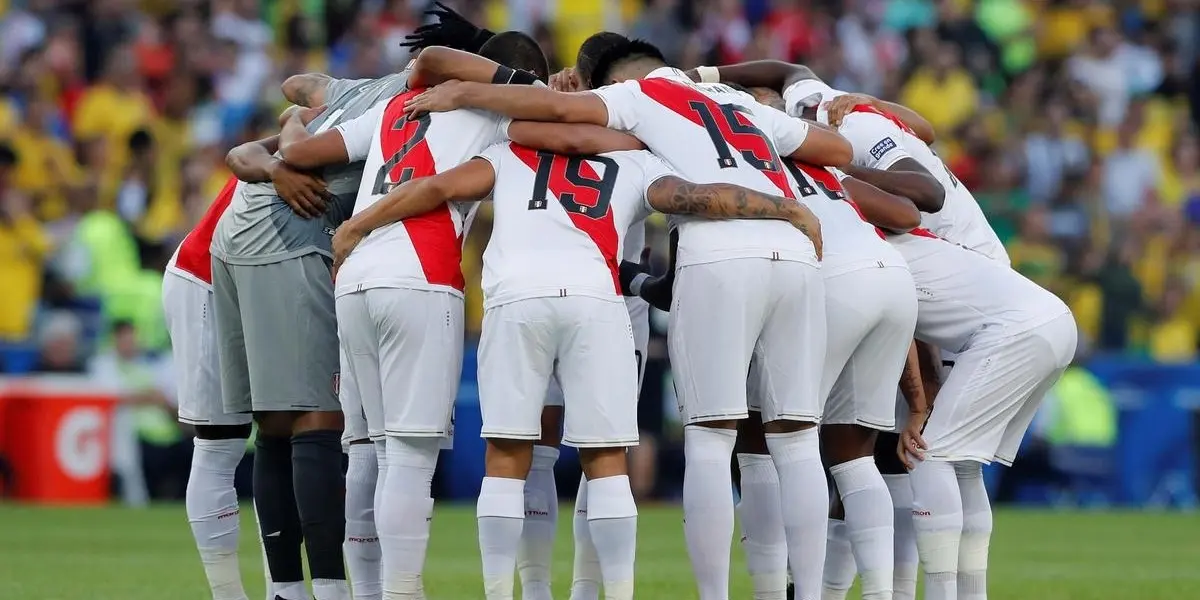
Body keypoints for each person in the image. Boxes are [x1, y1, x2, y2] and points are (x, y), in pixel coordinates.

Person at [401, 39, 847, 600]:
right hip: (784, 256)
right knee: (797, 440)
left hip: (688, 263)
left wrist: (468, 94)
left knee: (702, 440)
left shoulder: (634, 99)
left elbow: (547, 121)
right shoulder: (740, 108)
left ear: (612, 81)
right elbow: (837, 150)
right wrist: (816, 110)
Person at [275, 31, 552, 599]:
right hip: (420, 274)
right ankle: (402, 592)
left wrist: (291, 119)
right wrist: (534, 88)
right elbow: (446, 66)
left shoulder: (392, 105)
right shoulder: (502, 112)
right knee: (407, 453)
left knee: (367, 452)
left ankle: (368, 592)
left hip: (353, 276)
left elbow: (298, 155)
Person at [209, 70, 411, 600]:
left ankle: (287, 591)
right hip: (287, 239)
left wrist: (297, 118)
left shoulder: (351, 92)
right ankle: (327, 588)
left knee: (275, 424)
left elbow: (279, 108)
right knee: (317, 416)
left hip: (241, 234)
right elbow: (284, 143)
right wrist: (289, 147)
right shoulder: (402, 106)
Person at [849, 188, 1078, 600]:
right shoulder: (910, 243)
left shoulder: (865, 250)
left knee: (929, 454)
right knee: (963, 466)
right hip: (1054, 320)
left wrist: (918, 407)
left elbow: (898, 330)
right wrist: (926, 395)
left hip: (1016, 331)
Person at [165, 104, 328, 600]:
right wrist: (280, 164)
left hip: (263, 280)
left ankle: (281, 587)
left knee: (278, 432)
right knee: (220, 444)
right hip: (206, 279)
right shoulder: (322, 135)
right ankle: (228, 593)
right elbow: (251, 150)